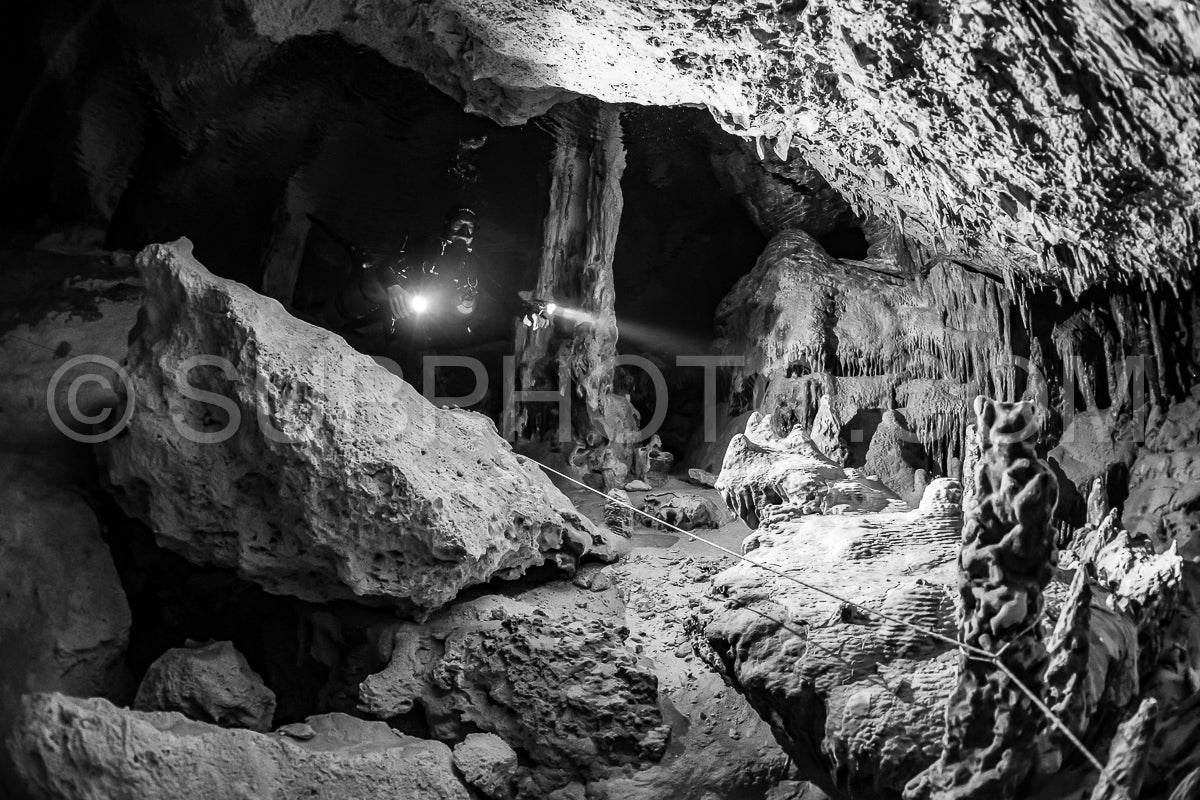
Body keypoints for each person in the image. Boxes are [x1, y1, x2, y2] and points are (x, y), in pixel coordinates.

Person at [310, 208, 480, 334]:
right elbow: (386, 266)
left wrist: (465, 305)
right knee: (373, 287)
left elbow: (463, 315)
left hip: (419, 318)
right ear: (447, 227)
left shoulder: (472, 267)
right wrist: (394, 286)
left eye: (470, 228)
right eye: (458, 225)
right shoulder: (424, 245)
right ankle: (323, 318)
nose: (464, 233)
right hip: (394, 298)